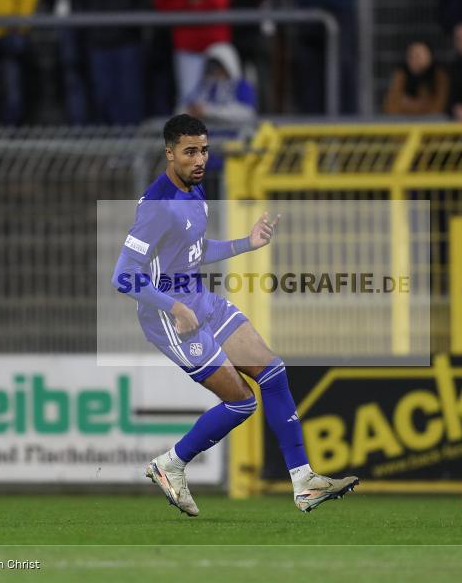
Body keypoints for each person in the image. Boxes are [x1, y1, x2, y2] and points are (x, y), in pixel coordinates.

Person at [112, 114, 359, 517]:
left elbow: (195, 249)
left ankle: (304, 482)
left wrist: (248, 243)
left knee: (274, 372)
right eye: (190, 151)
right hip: (170, 317)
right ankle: (170, 464)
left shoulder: (194, 191)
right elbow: (122, 275)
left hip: (200, 299)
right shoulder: (158, 206)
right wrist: (173, 307)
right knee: (243, 403)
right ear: (169, 153)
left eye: (204, 150)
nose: (200, 159)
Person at [72, 0, 148, 125]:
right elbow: (78, 0)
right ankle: (108, 137)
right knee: (103, 94)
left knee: (129, 94)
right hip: (98, 43)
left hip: (127, 42)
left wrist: (131, 23)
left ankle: (131, 137)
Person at [154, 0, 232, 107]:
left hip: (215, 44)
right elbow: (163, 5)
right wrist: (191, 1)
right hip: (186, 46)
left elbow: (218, 2)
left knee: (221, 99)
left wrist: (185, 3)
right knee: (189, 100)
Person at [178, 42, 256, 124]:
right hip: (208, 134)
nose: (215, 70)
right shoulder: (204, 86)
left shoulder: (241, 86)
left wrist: (208, 111)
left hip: (236, 134)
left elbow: (246, 113)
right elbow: (181, 109)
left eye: (219, 66)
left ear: (229, 64)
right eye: (211, 66)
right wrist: (190, 111)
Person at [382, 40, 449, 117]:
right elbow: (390, 108)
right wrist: (422, 104)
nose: (414, 60)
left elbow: (437, 109)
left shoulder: (439, 77)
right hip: (402, 125)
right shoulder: (400, 76)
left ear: (430, 57)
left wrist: (407, 104)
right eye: (411, 56)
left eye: (418, 56)